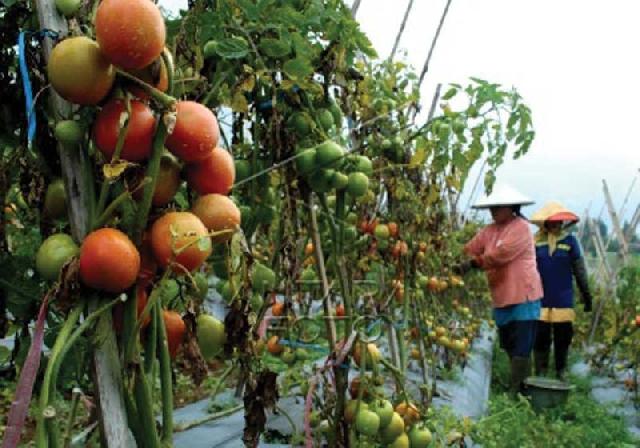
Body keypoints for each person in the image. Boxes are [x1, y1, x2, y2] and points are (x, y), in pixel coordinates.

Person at [457, 184, 543, 395]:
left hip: (523, 294)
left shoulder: (521, 227)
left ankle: (519, 389)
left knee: (522, 343)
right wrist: (455, 254)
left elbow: (501, 254)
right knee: (507, 342)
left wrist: (473, 264)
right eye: (491, 208)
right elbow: (470, 247)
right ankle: (519, 383)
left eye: (498, 207)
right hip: (502, 294)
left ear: (511, 207)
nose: (493, 212)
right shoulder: (489, 231)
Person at [530, 202, 593, 380]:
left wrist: (586, 295)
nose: (556, 225)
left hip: (563, 297)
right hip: (540, 297)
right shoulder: (535, 242)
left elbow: (579, 270)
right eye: (553, 221)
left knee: (563, 336)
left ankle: (561, 370)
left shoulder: (571, 242)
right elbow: (528, 269)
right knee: (540, 336)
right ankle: (540, 370)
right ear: (545, 223)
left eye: (559, 221)